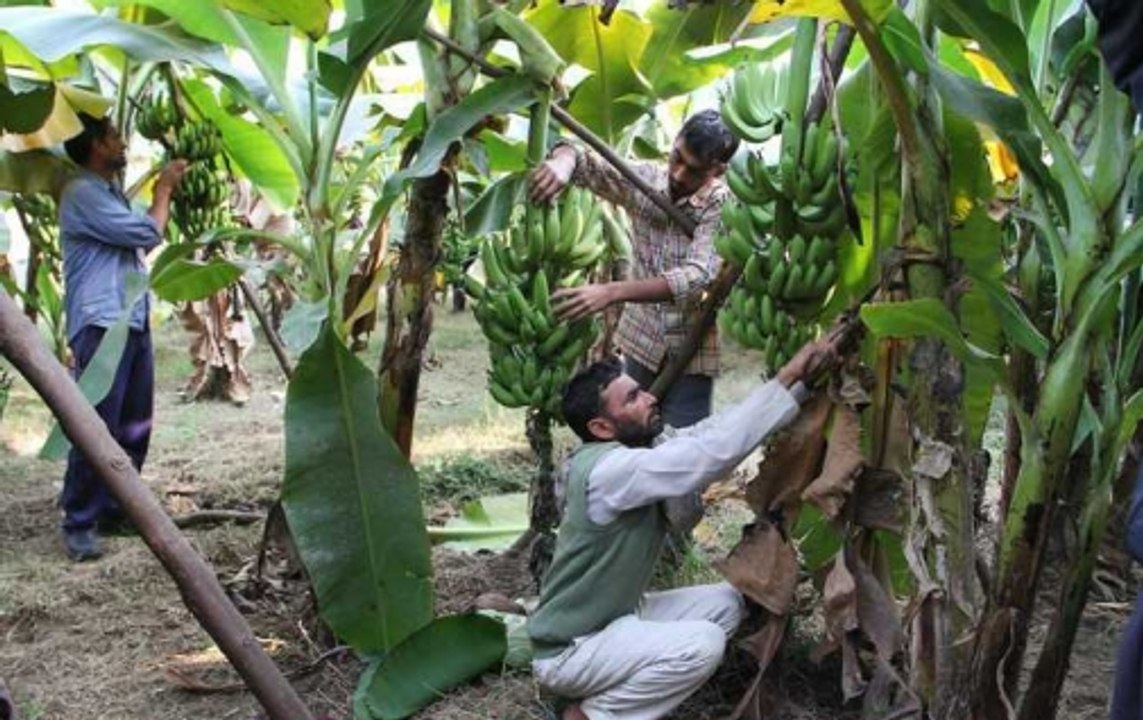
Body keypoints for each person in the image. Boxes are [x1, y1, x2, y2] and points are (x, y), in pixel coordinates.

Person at [527, 332, 839, 720]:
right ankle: (592, 715)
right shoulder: (611, 471)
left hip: (615, 620)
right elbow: (709, 456)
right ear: (602, 428)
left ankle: (607, 685)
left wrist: (801, 387)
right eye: (632, 399)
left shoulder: (638, 451)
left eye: (640, 391)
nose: (650, 398)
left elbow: (707, 434)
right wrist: (786, 373)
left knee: (727, 604)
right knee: (702, 643)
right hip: (571, 650)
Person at [529, 109, 739, 430]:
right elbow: (585, 161)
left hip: (690, 349)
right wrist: (563, 161)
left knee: (684, 448)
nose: (679, 175)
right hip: (639, 339)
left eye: (693, 170)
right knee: (627, 435)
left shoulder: (721, 204)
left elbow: (697, 275)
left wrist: (612, 291)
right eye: (676, 158)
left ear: (718, 170)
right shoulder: (647, 181)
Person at [57, 112, 186, 561]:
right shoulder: (81, 194)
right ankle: (80, 521)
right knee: (97, 424)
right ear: (95, 145)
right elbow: (149, 230)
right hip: (99, 322)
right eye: (113, 136)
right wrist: (164, 189)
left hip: (129, 317)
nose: (122, 142)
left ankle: (115, 508)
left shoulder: (112, 196)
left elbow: (144, 241)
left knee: (134, 422)